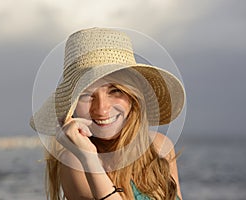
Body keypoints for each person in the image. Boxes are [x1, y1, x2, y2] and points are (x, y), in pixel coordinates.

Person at [30, 27, 185, 200]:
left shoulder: (160, 147)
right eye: (86, 95)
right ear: (71, 108)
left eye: (115, 91)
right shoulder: (76, 162)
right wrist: (89, 157)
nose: (102, 109)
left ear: (134, 96)